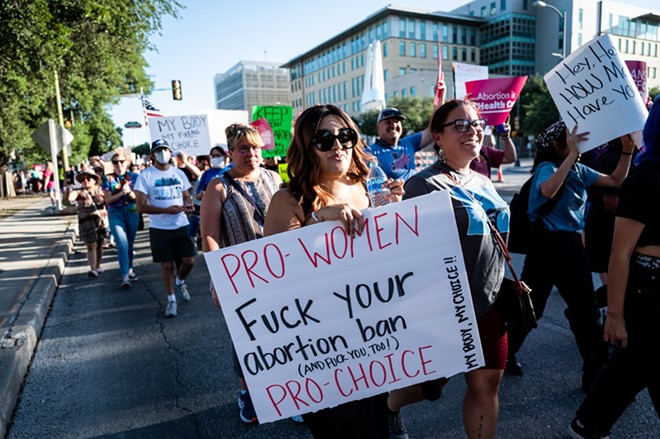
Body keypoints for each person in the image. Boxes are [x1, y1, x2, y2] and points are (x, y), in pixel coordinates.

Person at [264, 104, 404, 438]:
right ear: (306, 148)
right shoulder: (289, 199)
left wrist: (394, 215)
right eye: (324, 139)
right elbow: (274, 276)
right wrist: (315, 221)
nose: (338, 145)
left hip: (375, 337)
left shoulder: (366, 188)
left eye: (345, 135)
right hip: (322, 349)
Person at [393, 100, 508, 439]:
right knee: (427, 386)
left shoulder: (482, 180)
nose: (472, 130)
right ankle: (387, 407)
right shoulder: (422, 185)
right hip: (445, 307)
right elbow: (405, 252)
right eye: (460, 124)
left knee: (486, 382)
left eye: (476, 124)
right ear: (438, 137)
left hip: (489, 300)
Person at [506, 121, 635, 393]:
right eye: (571, 138)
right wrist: (573, 156)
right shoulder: (547, 169)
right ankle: (505, 354)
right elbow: (547, 190)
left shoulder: (577, 169)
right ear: (557, 145)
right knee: (531, 309)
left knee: (586, 313)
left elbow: (615, 181)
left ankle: (595, 377)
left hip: (573, 247)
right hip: (546, 247)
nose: (579, 142)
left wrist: (626, 151)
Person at [568, 98, 660, 439]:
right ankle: (588, 422)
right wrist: (616, 315)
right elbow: (620, 253)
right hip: (649, 287)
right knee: (636, 359)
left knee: (635, 363)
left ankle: (588, 423)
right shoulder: (646, 177)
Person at [200, 123, 283, 424]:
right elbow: (208, 236)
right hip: (238, 276)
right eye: (244, 148)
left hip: (279, 272)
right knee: (247, 335)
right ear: (231, 153)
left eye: (256, 147)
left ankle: (290, 389)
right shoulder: (218, 186)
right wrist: (221, 279)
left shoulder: (274, 178)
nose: (251, 154)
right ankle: (248, 392)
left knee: (285, 329)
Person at [134, 139, 196, 318]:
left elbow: (186, 196)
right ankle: (171, 301)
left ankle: (180, 281)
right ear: (152, 155)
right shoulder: (145, 176)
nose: (163, 153)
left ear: (170, 152)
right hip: (160, 228)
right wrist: (165, 211)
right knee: (167, 265)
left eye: (166, 150)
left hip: (181, 224)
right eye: (159, 150)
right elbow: (141, 206)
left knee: (189, 261)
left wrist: (188, 205)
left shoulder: (179, 173)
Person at [102, 152, 140, 289]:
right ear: (112, 164)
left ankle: (130, 269)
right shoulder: (108, 178)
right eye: (116, 162)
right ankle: (125, 276)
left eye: (122, 161)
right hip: (115, 213)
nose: (119, 164)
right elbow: (108, 200)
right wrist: (121, 193)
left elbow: (138, 198)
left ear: (127, 162)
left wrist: (129, 192)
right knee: (122, 244)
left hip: (132, 212)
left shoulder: (134, 177)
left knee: (129, 243)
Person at [365, 107, 435, 181]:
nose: (394, 125)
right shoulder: (370, 153)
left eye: (396, 121)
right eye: (388, 122)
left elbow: (430, 132)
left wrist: (438, 103)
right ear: (378, 128)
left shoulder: (409, 143)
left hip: (417, 190)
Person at [68, 170, 108, 277]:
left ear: (94, 180)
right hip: (86, 222)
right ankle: (93, 268)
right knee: (91, 245)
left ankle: (98, 265)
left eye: (88, 179)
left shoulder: (101, 191)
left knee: (99, 244)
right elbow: (70, 198)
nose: (85, 181)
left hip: (100, 222)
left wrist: (104, 211)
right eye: (82, 180)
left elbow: (109, 202)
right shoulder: (80, 192)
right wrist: (70, 189)